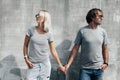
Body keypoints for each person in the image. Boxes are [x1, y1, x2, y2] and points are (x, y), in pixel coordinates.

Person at [64, 8, 109, 80]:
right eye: (100, 16)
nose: (102, 18)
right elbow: (75, 49)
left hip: (99, 69)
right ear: (92, 17)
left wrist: (106, 63)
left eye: (102, 16)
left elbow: (105, 48)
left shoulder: (103, 32)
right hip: (85, 70)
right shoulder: (82, 31)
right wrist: (68, 64)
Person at [23, 10, 65, 80]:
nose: (36, 16)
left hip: (45, 65)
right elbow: (25, 45)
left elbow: (53, 50)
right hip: (32, 65)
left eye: (38, 15)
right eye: (36, 15)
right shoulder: (31, 30)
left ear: (44, 18)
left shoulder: (49, 33)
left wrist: (60, 65)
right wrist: (26, 59)